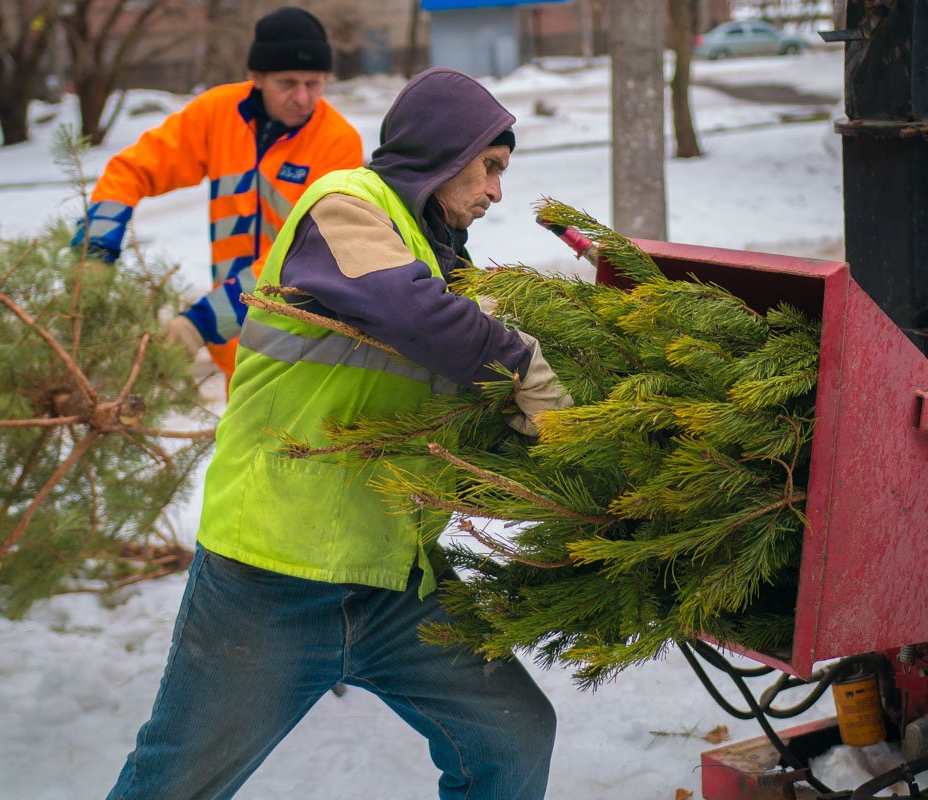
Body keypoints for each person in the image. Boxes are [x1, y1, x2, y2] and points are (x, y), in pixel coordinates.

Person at [105, 67, 570, 800]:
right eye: (488, 166)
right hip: (272, 581)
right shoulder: (344, 206)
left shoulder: (440, 258)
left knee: (510, 739)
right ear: (444, 151)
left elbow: (443, 400)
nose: (495, 191)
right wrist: (518, 361)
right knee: (175, 786)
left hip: (393, 581)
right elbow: (412, 315)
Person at [71, 6, 363, 380]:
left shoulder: (337, 143)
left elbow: (302, 258)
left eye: (314, 83)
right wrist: (97, 250)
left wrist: (202, 322)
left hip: (300, 347)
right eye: (288, 83)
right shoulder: (218, 113)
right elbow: (130, 171)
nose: (303, 97)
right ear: (256, 77)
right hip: (231, 342)